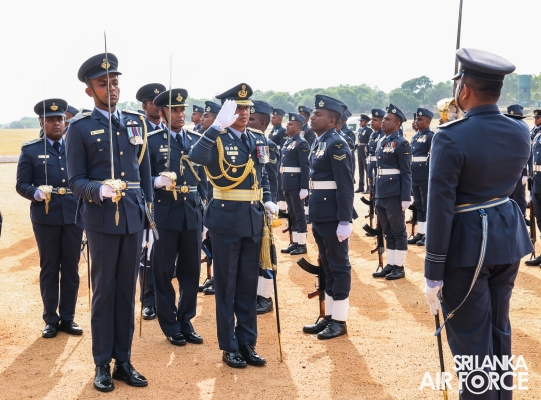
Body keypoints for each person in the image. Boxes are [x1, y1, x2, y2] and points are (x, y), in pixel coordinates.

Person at [424, 48, 532, 399]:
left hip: (467, 248)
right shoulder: (519, 130)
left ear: (465, 89)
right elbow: (511, 189)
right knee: (499, 334)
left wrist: (433, 271)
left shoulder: (449, 135)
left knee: (472, 344)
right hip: (507, 240)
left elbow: (440, 206)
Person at [66, 53, 152, 392]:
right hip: (101, 218)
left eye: (115, 82)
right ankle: (102, 362)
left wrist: (149, 223)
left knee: (127, 291)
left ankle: (123, 361)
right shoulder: (80, 128)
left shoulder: (135, 122)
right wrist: (97, 189)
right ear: (90, 91)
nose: (112, 88)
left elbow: (144, 176)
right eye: (103, 84)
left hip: (132, 218)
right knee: (104, 292)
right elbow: (75, 180)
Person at [189, 83, 278, 368]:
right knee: (226, 287)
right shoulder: (216, 137)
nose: (244, 112)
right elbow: (195, 158)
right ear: (227, 110)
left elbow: (263, 175)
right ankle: (229, 346)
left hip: (253, 220)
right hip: (226, 220)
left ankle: (247, 342)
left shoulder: (257, 139)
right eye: (238, 108)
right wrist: (217, 125)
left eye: (247, 108)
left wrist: (268, 199)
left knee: (248, 286)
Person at [16, 98, 84, 339]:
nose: (56, 123)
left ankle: (68, 318)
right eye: (51, 119)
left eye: (60, 119)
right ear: (41, 122)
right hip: (45, 216)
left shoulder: (76, 147)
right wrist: (34, 193)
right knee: (50, 267)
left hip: (74, 215)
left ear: (66, 121)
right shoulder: (31, 150)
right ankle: (50, 319)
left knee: (71, 268)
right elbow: (21, 184)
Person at [148, 88, 207, 346]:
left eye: (182, 110)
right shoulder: (151, 141)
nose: (180, 114)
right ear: (161, 113)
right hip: (164, 214)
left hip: (191, 214)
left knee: (191, 271)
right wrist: (155, 181)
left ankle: (186, 320)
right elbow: (141, 178)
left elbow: (204, 182)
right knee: (162, 271)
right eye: (174, 110)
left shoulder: (196, 140)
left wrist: (205, 216)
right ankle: (170, 324)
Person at [301, 95, 354, 340]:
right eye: (313, 113)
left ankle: (340, 321)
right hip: (321, 213)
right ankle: (330, 316)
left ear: (332, 121)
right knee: (328, 267)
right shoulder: (320, 142)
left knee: (339, 266)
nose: (313, 117)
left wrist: (344, 220)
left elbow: (345, 185)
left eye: (318, 114)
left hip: (333, 215)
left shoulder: (337, 144)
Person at [134, 82, 167, 321]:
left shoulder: (171, 131)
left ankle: (164, 299)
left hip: (172, 204)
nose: (157, 107)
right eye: (152, 103)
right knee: (147, 253)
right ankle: (148, 300)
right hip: (148, 201)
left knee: (165, 254)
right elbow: (133, 169)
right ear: (144, 106)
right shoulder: (137, 131)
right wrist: (154, 181)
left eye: (161, 103)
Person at [371, 104, 411, 280]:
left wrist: (405, 197)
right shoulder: (382, 140)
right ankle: (391, 263)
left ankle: (399, 266)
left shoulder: (401, 143)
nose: (383, 121)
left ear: (397, 124)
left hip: (394, 193)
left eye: (387, 119)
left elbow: (406, 172)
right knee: (387, 231)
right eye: (384, 118)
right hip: (381, 192)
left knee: (398, 231)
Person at [247, 100, 280, 315]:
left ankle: (266, 296)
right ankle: (255, 294)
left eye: (251, 119)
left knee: (266, 255)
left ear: (262, 124)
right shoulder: (247, 142)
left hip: (263, 205)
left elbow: (270, 179)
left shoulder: (267, 144)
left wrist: (269, 203)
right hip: (251, 206)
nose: (245, 121)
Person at [279, 112, 310, 256]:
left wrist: (304, 187)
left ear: (298, 127)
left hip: (296, 184)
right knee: (291, 214)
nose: (287, 125)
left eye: (290, 124)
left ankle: (302, 244)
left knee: (299, 214)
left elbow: (305, 167)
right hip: (288, 183)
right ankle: (295, 242)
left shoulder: (302, 143)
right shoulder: (289, 141)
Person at [407, 108, 434, 247]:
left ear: (428, 122)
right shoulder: (415, 136)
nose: (416, 121)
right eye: (416, 119)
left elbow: (433, 157)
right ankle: (421, 233)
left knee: (426, 205)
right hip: (415, 174)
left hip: (425, 174)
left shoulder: (431, 136)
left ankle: (428, 234)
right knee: (418, 204)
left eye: (420, 119)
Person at [504, 105, 530, 228]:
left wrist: (525, 174)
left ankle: (522, 222)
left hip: (519, 172)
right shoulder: (503, 130)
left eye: (518, 117)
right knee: (506, 199)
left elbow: (527, 153)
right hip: (506, 172)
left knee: (519, 198)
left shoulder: (523, 130)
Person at [268, 108, 288, 213]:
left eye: (274, 118)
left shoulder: (282, 131)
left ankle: (283, 209)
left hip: (278, 159)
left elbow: (283, 148)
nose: (272, 119)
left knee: (279, 184)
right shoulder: (273, 130)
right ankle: (278, 206)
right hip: (272, 158)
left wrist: (281, 162)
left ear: (280, 120)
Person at [355, 114, 372, 193]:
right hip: (359, 151)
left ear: (366, 122)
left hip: (365, 151)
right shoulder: (360, 130)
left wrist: (367, 150)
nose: (360, 122)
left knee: (367, 170)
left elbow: (370, 141)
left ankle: (368, 187)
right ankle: (361, 186)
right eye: (360, 121)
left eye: (362, 121)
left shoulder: (369, 130)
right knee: (360, 170)